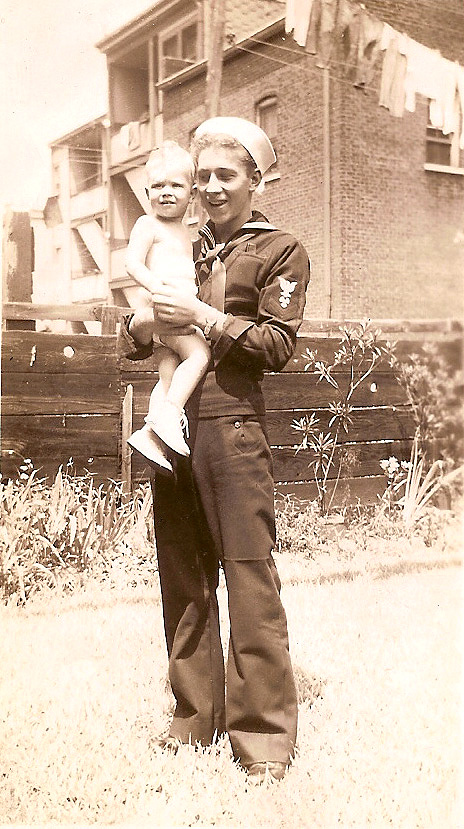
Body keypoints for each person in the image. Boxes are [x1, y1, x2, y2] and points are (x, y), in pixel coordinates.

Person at [120, 116, 310, 784]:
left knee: (248, 569)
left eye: (225, 175)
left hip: (232, 425)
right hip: (173, 418)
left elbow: (276, 346)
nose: (210, 187)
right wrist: (141, 323)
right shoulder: (179, 239)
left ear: (256, 180)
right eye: (203, 177)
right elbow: (133, 332)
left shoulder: (280, 249)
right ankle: (192, 719)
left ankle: (262, 740)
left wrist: (202, 316)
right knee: (182, 569)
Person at [125, 140, 210, 471]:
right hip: (164, 307)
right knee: (200, 355)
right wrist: (158, 289)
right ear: (147, 193)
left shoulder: (186, 233)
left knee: (169, 371)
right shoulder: (148, 225)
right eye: (158, 186)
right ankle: (171, 413)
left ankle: (152, 434)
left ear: (191, 194)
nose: (166, 192)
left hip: (179, 308)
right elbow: (132, 264)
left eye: (176, 185)